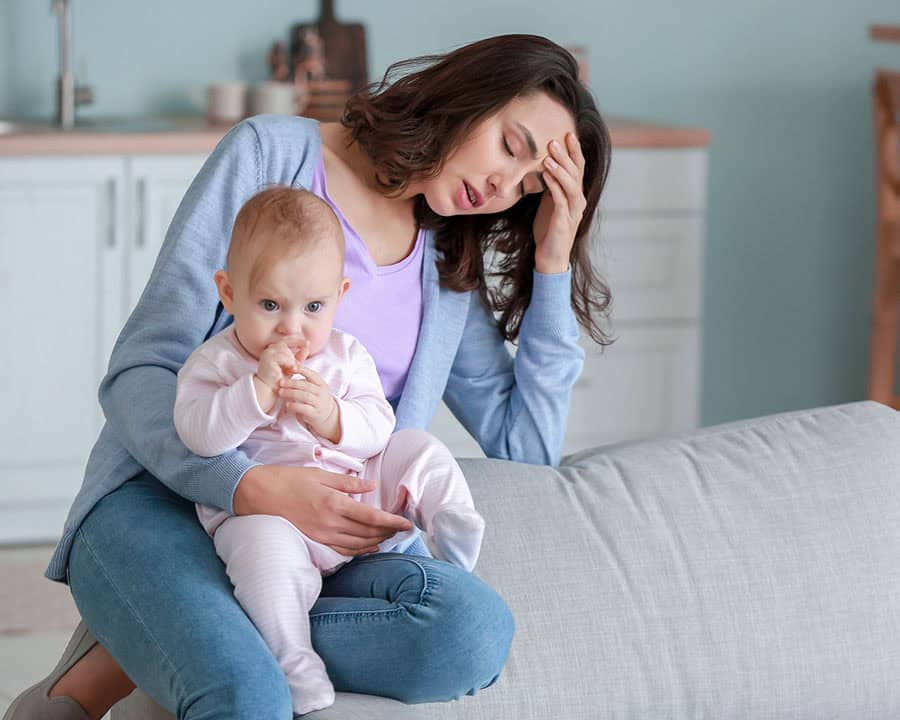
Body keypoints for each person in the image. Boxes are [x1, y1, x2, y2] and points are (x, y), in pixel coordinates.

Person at [4, 33, 611, 720]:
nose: (505, 187)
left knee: (469, 634)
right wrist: (252, 488)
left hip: (320, 547)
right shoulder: (272, 155)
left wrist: (553, 258)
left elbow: (525, 452)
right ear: (469, 97)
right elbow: (139, 372)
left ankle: (178, 628)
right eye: (511, 146)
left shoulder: (446, 258)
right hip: (165, 498)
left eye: (530, 187)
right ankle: (156, 649)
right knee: (249, 697)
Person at [176, 186, 485, 715]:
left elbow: (378, 427)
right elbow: (199, 436)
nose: (292, 328)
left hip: (356, 493)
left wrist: (333, 417)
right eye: (269, 305)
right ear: (228, 294)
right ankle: (292, 657)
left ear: (340, 296)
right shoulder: (218, 364)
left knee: (417, 448)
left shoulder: (345, 355)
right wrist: (254, 396)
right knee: (260, 553)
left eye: (313, 307)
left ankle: (450, 521)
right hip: (272, 519)